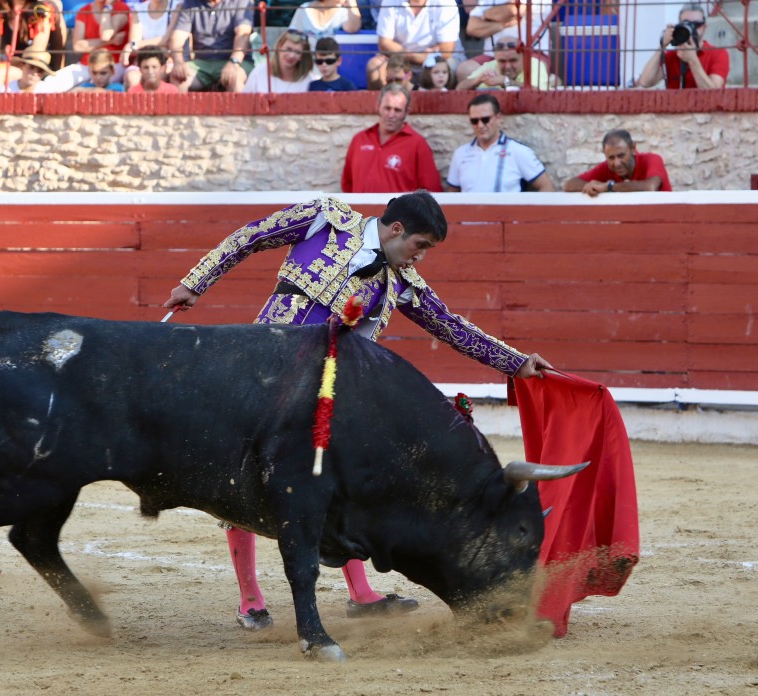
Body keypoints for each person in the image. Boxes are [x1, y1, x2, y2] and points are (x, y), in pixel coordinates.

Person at [162, 191, 554, 631]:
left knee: (344, 483)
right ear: (396, 229)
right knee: (245, 474)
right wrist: (196, 282)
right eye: (420, 245)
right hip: (265, 375)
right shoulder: (324, 219)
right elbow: (250, 236)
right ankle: (250, 598)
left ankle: (361, 592)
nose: (420, 258)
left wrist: (515, 362)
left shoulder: (402, 281)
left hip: (332, 396)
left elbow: (450, 326)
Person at [341, 82, 442, 193]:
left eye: (397, 110)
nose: (391, 115)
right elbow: (347, 184)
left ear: (406, 112)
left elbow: (431, 191)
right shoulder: (359, 140)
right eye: (387, 108)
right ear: (378, 106)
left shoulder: (418, 145)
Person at [446, 93, 555, 192]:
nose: (480, 125)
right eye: (474, 121)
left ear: (498, 118)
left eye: (485, 119)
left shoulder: (518, 151)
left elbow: (547, 187)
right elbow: (452, 194)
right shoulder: (460, 154)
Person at [365, 0, 460, 90]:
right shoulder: (390, 1)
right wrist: (417, 57)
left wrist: (424, 59)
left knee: (448, 66)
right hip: (402, 60)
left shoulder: (445, 3)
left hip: (435, 60)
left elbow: (447, 50)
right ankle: (385, 101)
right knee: (375, 65)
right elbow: (384, 44)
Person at [636, 3, 729, 89]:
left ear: (705, 27)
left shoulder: (718, 54)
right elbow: (645, 82)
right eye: (686, 24)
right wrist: (662, 46)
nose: (692, 28)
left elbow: (714, 93)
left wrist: (692, 60)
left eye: (696, 24)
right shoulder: (673, 55)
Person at [168, 0, 253, 93]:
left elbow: (243, 34)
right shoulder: (190, 4)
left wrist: (234, 62)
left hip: (238, 61)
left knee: (235, 77)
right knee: (177, 77)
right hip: (202, 63)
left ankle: (240, 103)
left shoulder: (241, 2)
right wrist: (178, 62)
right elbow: (177, 38)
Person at [562, 129, 672, 197]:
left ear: (633, 148)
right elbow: (568, 185)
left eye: (621, 156)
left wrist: (609, 187)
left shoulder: (652, 160)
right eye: (611, 158)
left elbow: (650, 186)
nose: (617, 163)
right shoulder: (607, 167)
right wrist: (593, 186)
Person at [456, 33, 548, 90]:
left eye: (513, 60)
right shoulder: (491, 65)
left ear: (524, 57)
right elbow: (459, 89)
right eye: (502, 61)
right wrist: (477, 80)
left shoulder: (535, 64)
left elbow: (540, 94)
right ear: (495, 57)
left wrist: (507, 82)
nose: (508, 66)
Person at [465, 0, 550, 53]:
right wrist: (503, 25)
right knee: (465, 69)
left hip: (531, 54)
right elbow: (471, 28)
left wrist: (484, 16)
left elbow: (514, 10)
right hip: (493, 56)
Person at [243, 28, 312, 93]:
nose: (291, 55)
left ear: (302, 56)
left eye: (297, 52)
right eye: (288, 49)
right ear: (279, 46)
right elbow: (245, 99)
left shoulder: (308, 80)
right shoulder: (259, 72)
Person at [71, 0, 130, 68]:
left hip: (112, 65)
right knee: (60, 74)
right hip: (87, 64)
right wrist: (112, 41)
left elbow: (106, 35)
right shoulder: (84, 10)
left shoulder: (121, 7)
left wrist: (107, 7)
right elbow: (77, 47)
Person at [288, 0, 361, 49]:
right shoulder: (304, 9)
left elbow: (352, 28)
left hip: (331, 64)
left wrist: (352, 3)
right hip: (307, 62)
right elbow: (292, 38)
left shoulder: (343, 12)